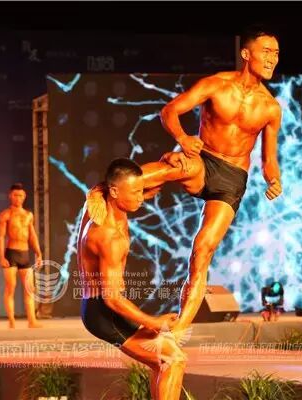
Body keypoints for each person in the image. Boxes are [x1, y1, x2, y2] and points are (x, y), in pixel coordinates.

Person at [88, 24, 283, 335]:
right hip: (202, 160)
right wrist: (182, 138)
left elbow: (268, 159)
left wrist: (274, 180)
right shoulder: (216, 85)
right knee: (166, 168)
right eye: (267, 51)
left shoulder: (271, 108)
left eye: (276, 52)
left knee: (202, 249)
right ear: (246, 54)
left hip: (233, 179)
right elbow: (170, 111)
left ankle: (178, 330)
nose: (273, 58)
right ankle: (103, 196)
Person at [78, 158, 186, 400]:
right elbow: (112, 299)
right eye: (136, 192)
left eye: (141, 190)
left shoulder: (104, 202)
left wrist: (170, 160)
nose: (141, 197)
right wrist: (153, 322)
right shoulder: (108, 237)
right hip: (104, 312)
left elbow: (150, 182)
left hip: (105, 307)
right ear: (115, 191)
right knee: (172, 359)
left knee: (163, 361)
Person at [0, 183, 42, 329]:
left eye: (21, 195)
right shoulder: (6, 214)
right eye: (15, 195)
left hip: (25, 254)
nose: (18, 198)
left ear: (24, 196)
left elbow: (32, 235)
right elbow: (0, 237)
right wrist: (1, 257)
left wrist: (38, 253)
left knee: (30, 288)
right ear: (10, 196)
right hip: (11, 253)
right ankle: (11, 320)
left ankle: (32, 321)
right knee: (10, 288)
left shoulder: (29, 215)